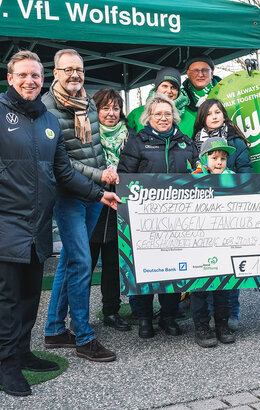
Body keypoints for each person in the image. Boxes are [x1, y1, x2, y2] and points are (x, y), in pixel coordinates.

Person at [0, 50, 120, 396]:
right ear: (10, 78)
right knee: (7, 297)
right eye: (22, 75)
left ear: (41, 78)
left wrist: (98, 194)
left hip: (38, 224)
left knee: (31, 294)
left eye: (34, 75)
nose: (29, 81)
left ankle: (22, 352)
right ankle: (7, 365)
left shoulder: (48, 121)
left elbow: (63, 171)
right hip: (3, 222)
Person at [42, 49, 118, 362]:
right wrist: (99, 173)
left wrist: (105, 175)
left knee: (70, 261)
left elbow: (93, 148)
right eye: (68, 69)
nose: (75, 74)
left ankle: (54, 330)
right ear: (55, 72)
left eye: (80, 69)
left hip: (95, 193)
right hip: (69, 194)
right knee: (83, 262)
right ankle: (84, 337)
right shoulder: (47, 108)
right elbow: (63, 162)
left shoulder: (87, 102)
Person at [117, 93, 198, 338]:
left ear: (174, 116)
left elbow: (198, 173)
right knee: (143, 269)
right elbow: (123, 176)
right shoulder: (137, 141)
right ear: (148, 117)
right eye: (157, 114)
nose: (163, 118)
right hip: (143, 220)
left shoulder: (185, 142)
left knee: (173, 268)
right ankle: (144, 318)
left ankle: (168, 316)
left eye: (167, 113)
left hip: (177, 220)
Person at [192, 98, 253, 330]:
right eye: (210, 113)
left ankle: (228, 316)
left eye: (218, 112)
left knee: (229, 267)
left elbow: (246, 172)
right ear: (203, 118)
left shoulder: (236, 141)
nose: (215, 116)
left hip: (229, 211)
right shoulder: (193, 143)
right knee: (203, 269)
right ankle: (202, 320)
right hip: (202, 221)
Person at [89, 88, 133, 332]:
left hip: (119, 206)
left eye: (115, 108)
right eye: (105, 108)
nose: (111, 113)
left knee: (112, 264)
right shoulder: (86, 134)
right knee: (85, 264)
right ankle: (79, 314)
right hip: (92, 204)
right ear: (95, 111)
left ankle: (111, 312)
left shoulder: (130, 135)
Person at [190, 137, 237, 347]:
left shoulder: (232, 178)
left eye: (223, 158)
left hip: (223, 241)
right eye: (214, 157)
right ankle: (201, 325)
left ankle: (222, 323)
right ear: (204, 158)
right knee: (200, 286)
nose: (219, 162)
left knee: (223, 285)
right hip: (199, 243)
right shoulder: (194, 178)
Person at [128, 67, 196, 136]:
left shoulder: (191, 119)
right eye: (165, 86)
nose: (169, 91)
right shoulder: (136, 114)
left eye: (173, 87)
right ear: (157, 88)